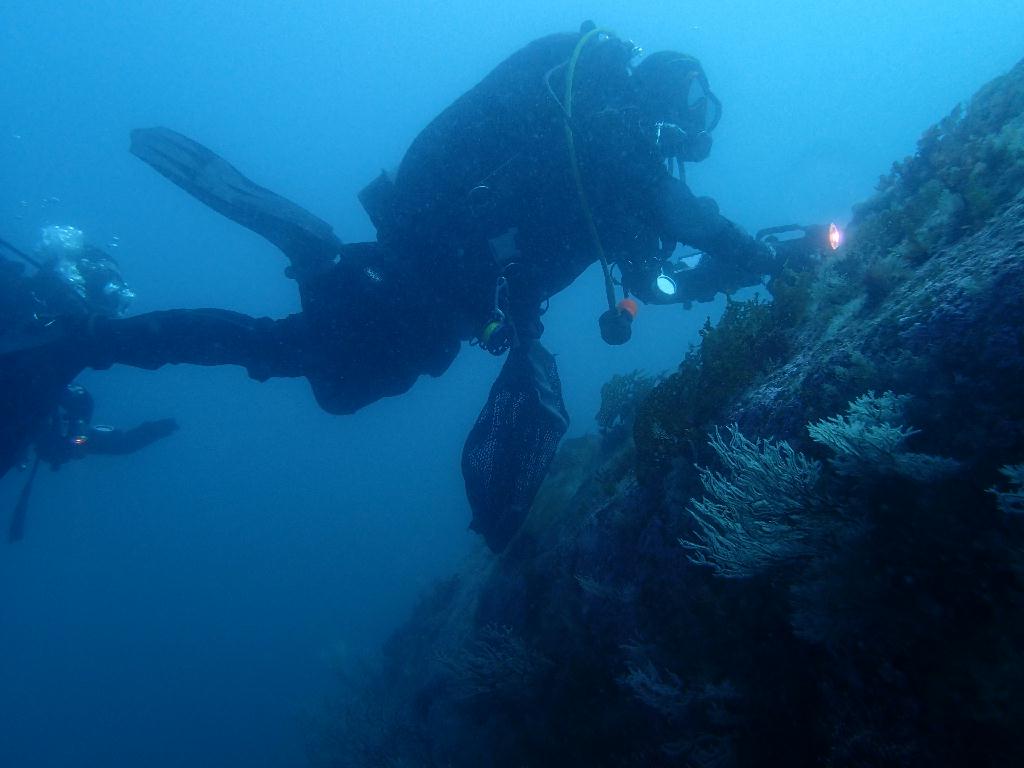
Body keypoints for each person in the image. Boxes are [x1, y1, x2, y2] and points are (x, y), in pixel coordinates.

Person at [7, 24, 780, 549]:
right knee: (296, 357)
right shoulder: (611, 135)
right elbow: (677, 209)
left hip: (438, 296)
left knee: (326, 383)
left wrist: (710, 279)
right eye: (692, 109)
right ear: (661, 99)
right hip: (420, 284)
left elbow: (653, 273)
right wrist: (755, 256)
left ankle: (148, 325)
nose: (694, 129)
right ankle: (277, 268)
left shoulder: (609, 172)